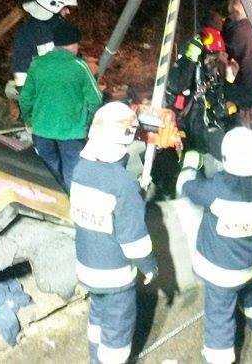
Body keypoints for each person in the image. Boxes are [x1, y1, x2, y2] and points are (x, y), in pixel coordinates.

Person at [178, 127, 252, 364]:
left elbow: (187, 188)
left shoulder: (216, 190)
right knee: (251, 289)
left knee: (219, 317)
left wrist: (189, 166)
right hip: (251, 264)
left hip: (220, 272)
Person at [70, 102, 158, 364]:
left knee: (98, 316)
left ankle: (95, 358)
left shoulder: (79, 170)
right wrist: (149, 265)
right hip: (115, 275)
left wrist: (133, 194)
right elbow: (133, 240)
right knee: (118, 328)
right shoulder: (124, 184)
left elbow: (101, 205)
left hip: (87, 266)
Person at [19, 21, 102, 190]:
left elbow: (25, 98)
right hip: (72, 132)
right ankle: (72, 202)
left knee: (49, 172)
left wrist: (29, 120)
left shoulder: (37, 64)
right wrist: (87, 123)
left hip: (42, 130)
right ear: (74, 44)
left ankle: (54, 199)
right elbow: (96, 99)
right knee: (73, 172)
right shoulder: (79, 66)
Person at [167, 25, 237, 164]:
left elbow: (217, 101)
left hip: (207, 133)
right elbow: (177, 85)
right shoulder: (184, 71)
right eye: (211, 58)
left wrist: (229, 81)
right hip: (187, 134)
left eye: (215, 58)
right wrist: (190, 60)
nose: (213, 63)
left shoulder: (212, 75)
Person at [11, 0, 78, 90]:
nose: (68, 12)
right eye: (66, 8)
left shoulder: (26, 29)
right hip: (41, 90)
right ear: (55, 7)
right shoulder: (50, 31)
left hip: (31, 87)